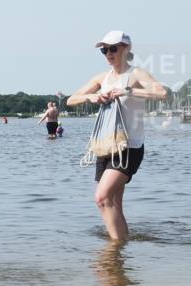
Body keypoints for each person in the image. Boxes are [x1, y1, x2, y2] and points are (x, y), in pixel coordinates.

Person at [66, 31, 166, 242]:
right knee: (114, 202)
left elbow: (161, 93)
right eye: (104, 50)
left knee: (102, 199)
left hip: (129, 147)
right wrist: (92, 97)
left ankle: (114, 251)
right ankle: (121, 251)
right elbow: (71, 100)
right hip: (106, 145)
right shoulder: (102, 78)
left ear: (126, 49)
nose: (108, 53)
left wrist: (128, 91)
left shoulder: (136, 74)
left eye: (113, 48)